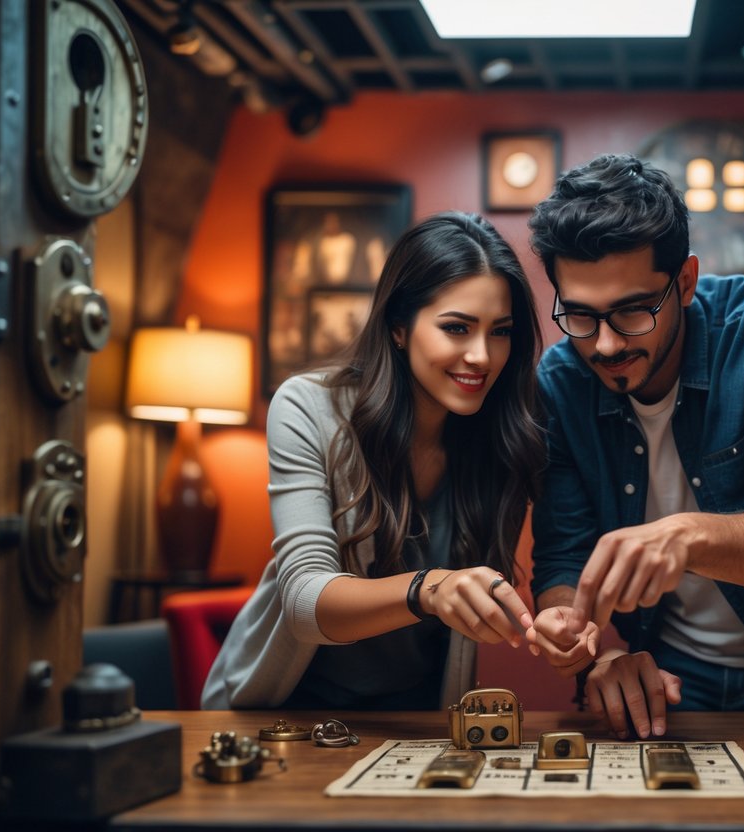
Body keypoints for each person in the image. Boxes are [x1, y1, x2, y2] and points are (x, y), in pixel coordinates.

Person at [524, 154, 744, 740]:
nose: (606, 345)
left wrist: (686, 536)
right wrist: (586, 646)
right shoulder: (560, 383)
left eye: (632, 310)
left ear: (684, 282)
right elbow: (563, 554)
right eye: (581, 315)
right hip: (670, 676)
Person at [203, 212, 544, 709]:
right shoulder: (306, 407)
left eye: (500, 331)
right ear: (399, 328)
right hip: (281, 714)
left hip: (416, 722)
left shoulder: (505, 434)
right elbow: (304, 601)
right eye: (457, 328)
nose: (482, 356)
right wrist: (429, 588)